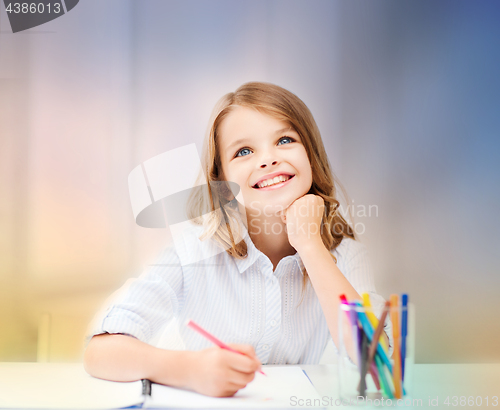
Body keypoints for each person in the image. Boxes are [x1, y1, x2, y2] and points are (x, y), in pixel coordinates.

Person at [84, 82, 391, 397]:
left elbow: (378, 363)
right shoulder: (192, 250)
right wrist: (190, 370)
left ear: (311, 156)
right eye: (244, 151)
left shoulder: (347, 256)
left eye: (285, 139)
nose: (267, 159)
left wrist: (311, 246)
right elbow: (100, 353)